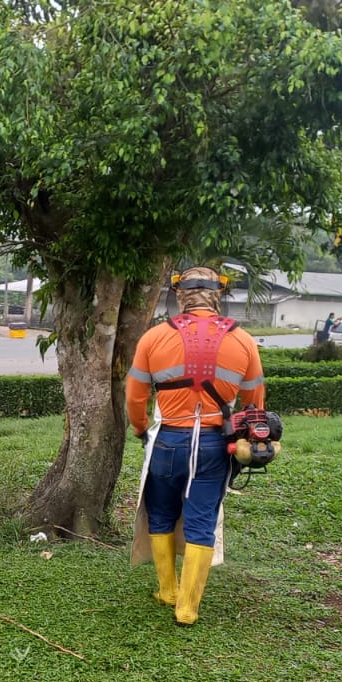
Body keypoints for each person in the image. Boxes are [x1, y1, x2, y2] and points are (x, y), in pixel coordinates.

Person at [126, 267, 265, 626]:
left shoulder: (154, 338)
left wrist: (141, 429)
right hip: (215, 445)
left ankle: (167, 590)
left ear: (180, 295)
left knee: (160, 513)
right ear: (218, 295)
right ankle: (187, 608)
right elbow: (254, 406)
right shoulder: (244, 341)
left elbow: (136, 397)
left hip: (167, 441)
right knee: (202, 520)